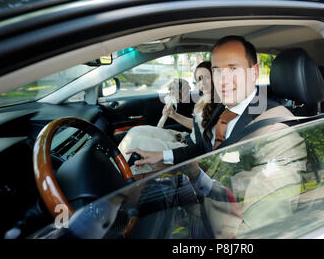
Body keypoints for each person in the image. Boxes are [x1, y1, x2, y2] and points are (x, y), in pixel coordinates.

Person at [128, 36, 307, 238]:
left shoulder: (276, 130)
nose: (224, 79)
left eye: (233, 68)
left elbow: (266, 219)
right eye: (218, 70)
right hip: (205, 205)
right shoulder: (223, 108)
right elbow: (205, 146)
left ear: (254, 72)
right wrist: (161, 156)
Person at [118, 61, 216, 172]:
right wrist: (174, 115)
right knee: (135, 132)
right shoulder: (203, 99)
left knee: (137, 142)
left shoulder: (218, 104)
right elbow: (197, 125)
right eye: (199, 79)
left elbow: (205, 142)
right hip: (185, 138)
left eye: (206, 77)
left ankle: (116, 173)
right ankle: (114, 167)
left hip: (191, 149)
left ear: (216, 77)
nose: (202, 82)